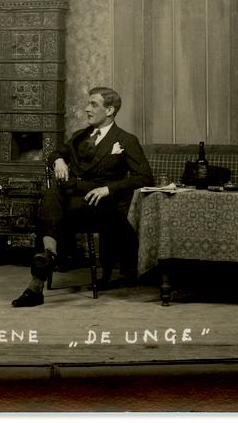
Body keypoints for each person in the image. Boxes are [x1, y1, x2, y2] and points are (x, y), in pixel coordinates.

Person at [12, 87, 153, 308]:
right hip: (71, 197)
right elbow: (56, 153)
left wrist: (109, 189)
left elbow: (144, 177)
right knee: (51, 194)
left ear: (110, 110)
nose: (87, 109)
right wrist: (58, 160)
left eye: (93, 104)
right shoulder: (80, 136)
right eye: (88, 104)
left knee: (48, 208)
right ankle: (48, 256)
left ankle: (40, 275)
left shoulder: (126, 140)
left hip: (100, 205)